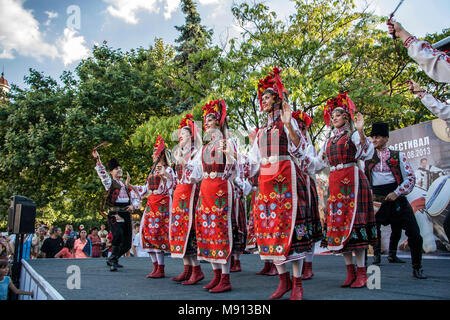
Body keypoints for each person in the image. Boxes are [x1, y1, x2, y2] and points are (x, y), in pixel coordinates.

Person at [247, 67, 320, 300]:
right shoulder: (261, 131)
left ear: (277, 98)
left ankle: (297, 283)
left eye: (267, 97)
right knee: (270, 230)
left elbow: (299, 148)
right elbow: (252, 161)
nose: (263, 101)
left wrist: (289, 124)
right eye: (263, 98)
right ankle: (283, 280)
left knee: (290, 229)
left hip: (286, 178)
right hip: (266, 183)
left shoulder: (287, 123)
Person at [308, 92, 377, 289]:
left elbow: (366, 153)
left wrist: (362, 131)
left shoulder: (353, 135)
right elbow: (317, 164)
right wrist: (297, 156)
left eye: (337, 115)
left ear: (346, 117)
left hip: (354, 182)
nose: (333, 118)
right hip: (336, 184)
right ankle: (350, 272)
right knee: (339, 227)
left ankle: (363, 272)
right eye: (332, 115)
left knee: (356, 227)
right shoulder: (328, 140)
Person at [185, 99, 238, 293]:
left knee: (221, 231)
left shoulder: (227, 142)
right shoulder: (204, 148)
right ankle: (216, 276)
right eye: (204, 121)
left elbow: (236, 170)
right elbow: (195, 174)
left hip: (220, 188)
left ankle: (225, 278)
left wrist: (230, 156)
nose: (205, 124)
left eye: (209, 121)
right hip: (206, 190)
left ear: (218, 122)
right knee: (207, 231)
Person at [365, 122, 427, 279]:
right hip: (376, 197)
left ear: (386, 138)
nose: (374, 139)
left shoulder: (398, 155)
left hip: (396, 196)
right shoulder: (367, 157)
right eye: (372, 136)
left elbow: (411, 178)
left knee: (413, 232)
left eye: (377, 136)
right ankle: (376, 256)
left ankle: (417, 266)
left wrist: (397, 192)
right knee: (373, 229)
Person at [129, 136, 175, 278]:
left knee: (157, 234)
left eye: (154, 152)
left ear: (160, 154)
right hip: (152, 203)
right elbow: (146, 188)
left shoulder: (168, 169)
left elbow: (173, 185)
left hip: (162, 204)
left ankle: (160, 268)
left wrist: (164, 176)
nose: (152, 155)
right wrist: (131, 186)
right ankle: (155, 266)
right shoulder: (152, 171)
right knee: (147, 233)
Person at [169, 114, 205, 285]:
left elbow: (197, 174)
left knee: (190, 230)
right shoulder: (180, 152)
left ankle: (196, 269)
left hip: (191, 192)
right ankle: (186, 268)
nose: (180, 137)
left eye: (183, 134)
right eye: (179, 135)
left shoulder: (197, 152)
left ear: (191, 136)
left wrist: (183, 161)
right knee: (180, 230)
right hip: (179, 193)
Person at [93, 149, 138, 271]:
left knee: (128, 242)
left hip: (125, 213)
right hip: (115, 213)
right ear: (111, 172)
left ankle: (113, 258)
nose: (119, 170)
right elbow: (102, 174)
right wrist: (98, 159)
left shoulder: (126, 185)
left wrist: (133, 206)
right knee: (117, 234)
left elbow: (134, 198)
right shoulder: (110, 183)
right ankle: (112, 259)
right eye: (116, 168)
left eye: (120, 168)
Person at [291, 110, 324, 280]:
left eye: (303, 129)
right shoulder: (287, 144)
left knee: (308, 226)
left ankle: (308, 266)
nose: (301, 132)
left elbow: (312, 166)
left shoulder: (309, 147)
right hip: (291, 186)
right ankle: (298, 265)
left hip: (305, 186)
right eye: (298, 129)